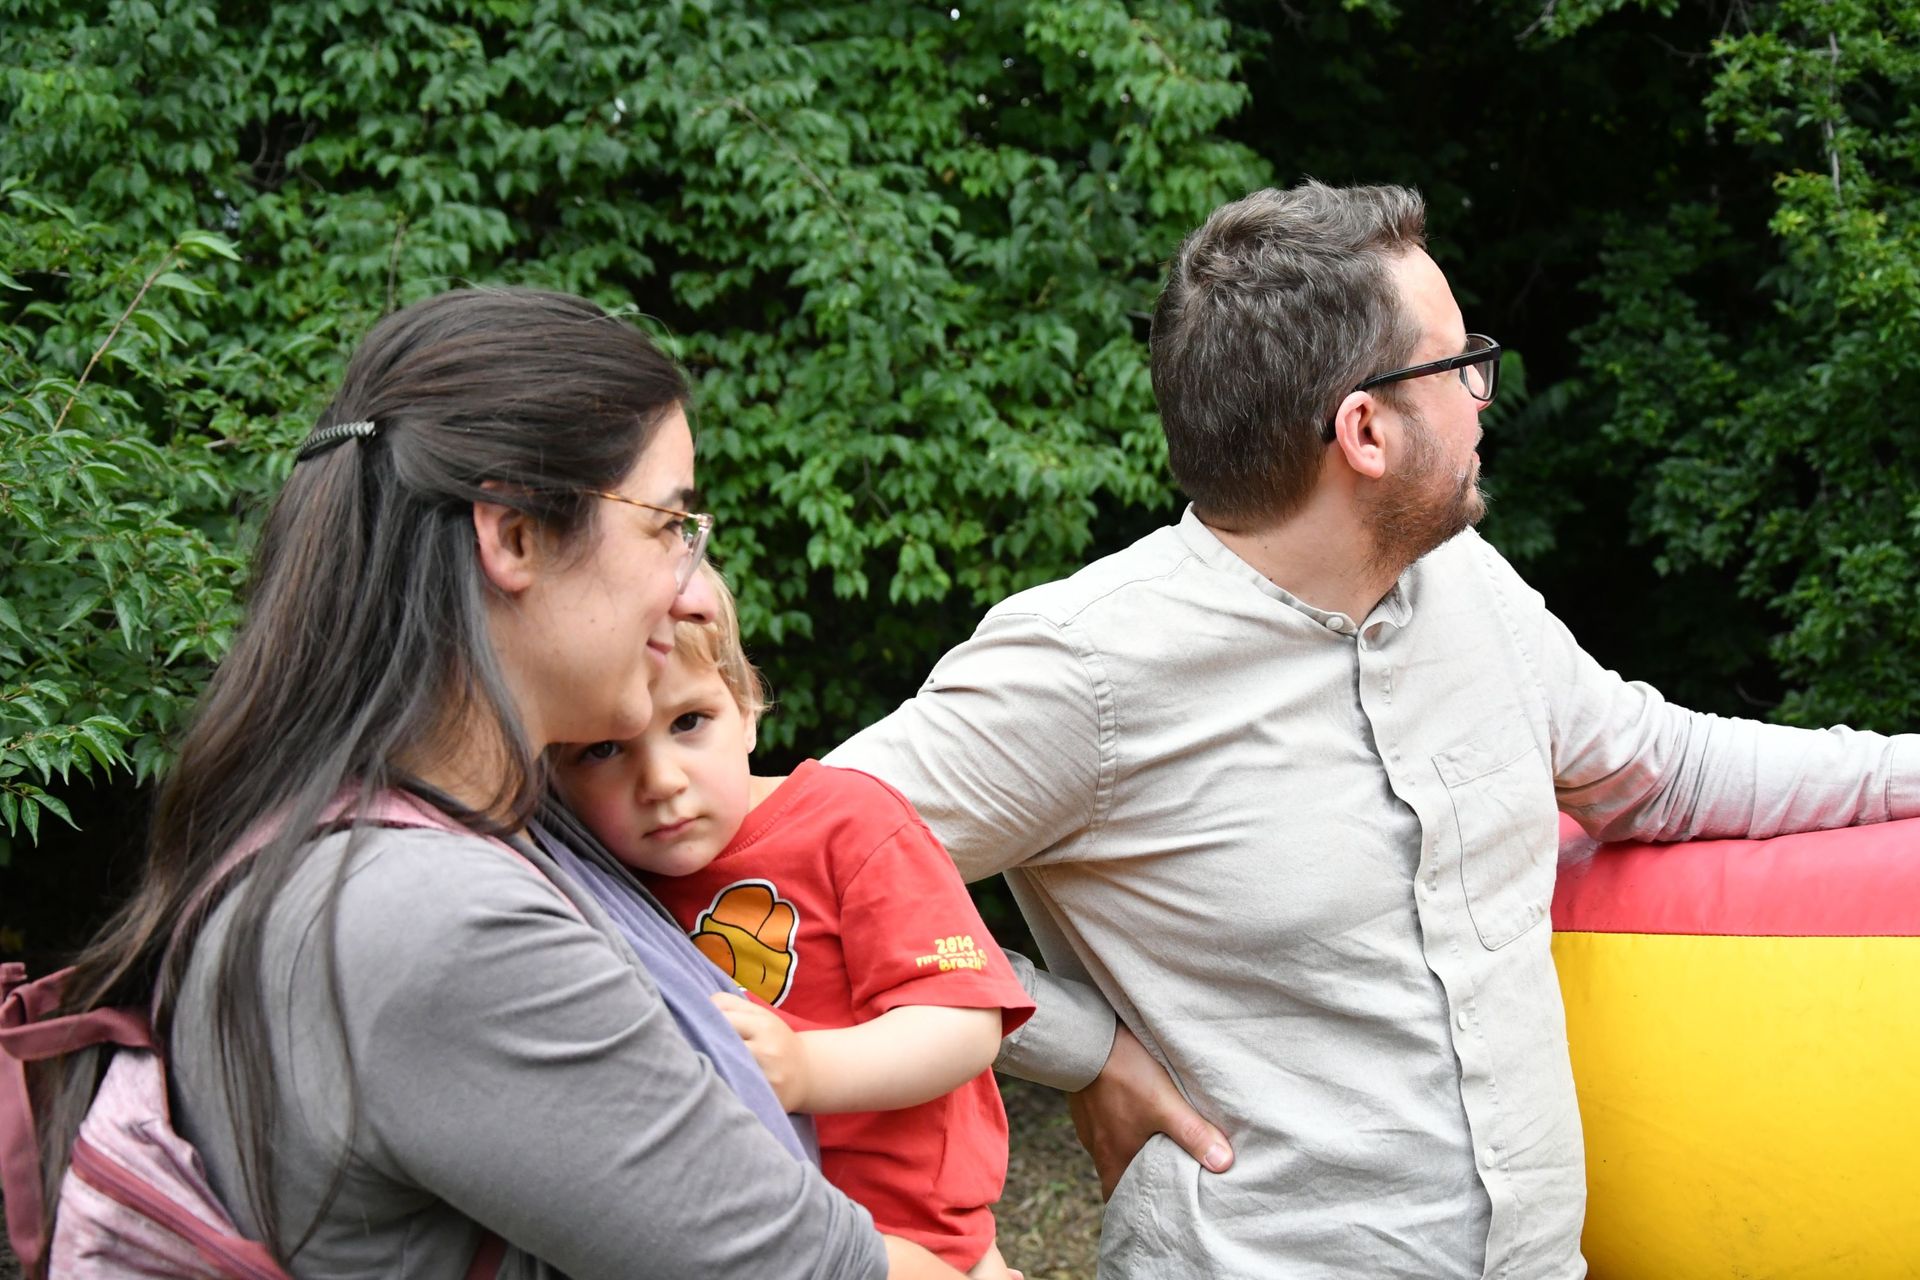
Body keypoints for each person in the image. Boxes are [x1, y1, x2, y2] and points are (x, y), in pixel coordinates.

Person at [828, 182, 1920, 1278]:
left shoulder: (1469, 586)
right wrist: (1081, 1047)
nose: (1482, 399)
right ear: (1365, 430)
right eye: (1459, 364)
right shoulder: (1084, 670)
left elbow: (1665, 771)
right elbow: (803, 868)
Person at [34, 289, 970, 1279]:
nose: (696, 590)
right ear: (514, 536)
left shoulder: (435, 832)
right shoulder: (436, 922)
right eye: (667, 525)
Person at [549, 563, 1034, 1279]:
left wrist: (807, 1069)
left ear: (746, 706)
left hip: (907, 1234)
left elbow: (963, 1025)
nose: (660, 781)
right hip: (729, 1238)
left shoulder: (850, 823)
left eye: (689, 722)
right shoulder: (593, 877)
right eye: (603, 749)